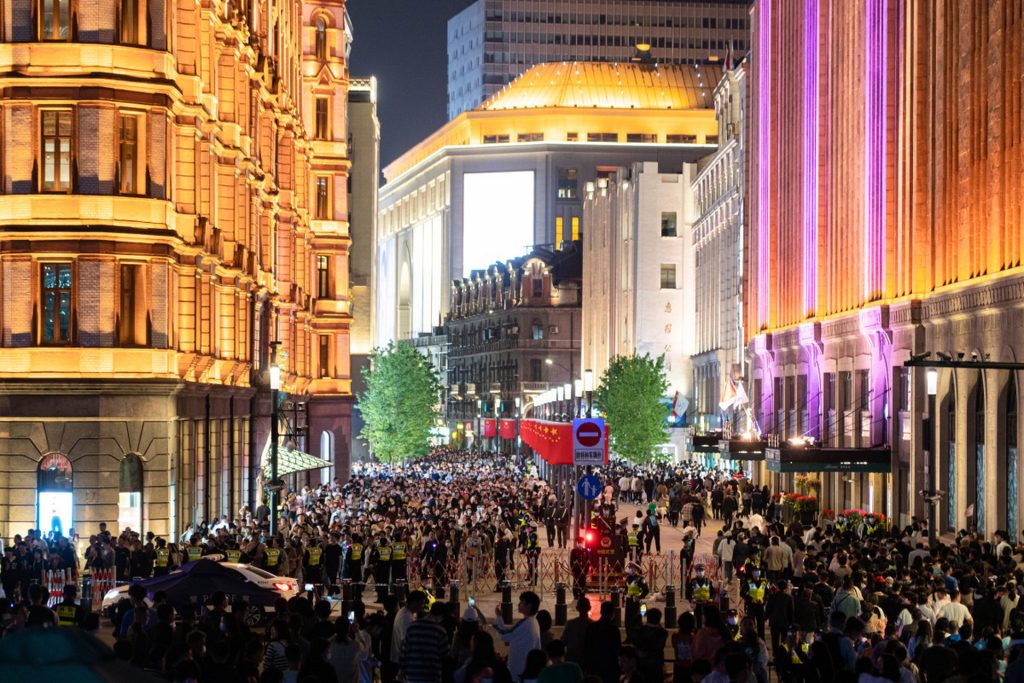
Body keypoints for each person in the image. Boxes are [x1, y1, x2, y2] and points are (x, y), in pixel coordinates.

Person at [490, 591, 543, 680]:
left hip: (520, 668)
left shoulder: (526, 623)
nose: (519, 604)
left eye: (522, 602)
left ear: (529, 606)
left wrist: (499, 617)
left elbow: (504, 634)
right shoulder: (533, 622)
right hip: (527, 667)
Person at [400, 602, 449, 683]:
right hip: (431, 675)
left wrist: (401, 671)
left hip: (412, 673)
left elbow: (404, 651)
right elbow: (445, 655)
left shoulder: (412, 627)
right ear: (441, 616)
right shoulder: (440, 631)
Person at [562, 598, 592, 666]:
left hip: (572, 660)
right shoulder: (593, 625)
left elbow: (563, 641)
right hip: (588, 661)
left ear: (577, 608)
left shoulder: (570, 624)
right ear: (589, 608)